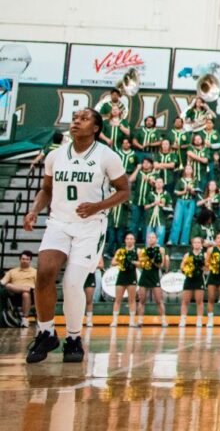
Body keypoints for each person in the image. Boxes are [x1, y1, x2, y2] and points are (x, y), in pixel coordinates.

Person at [23, 108, 130, 363]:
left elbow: (124, 191)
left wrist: (98, 206)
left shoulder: (108, 156)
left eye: (83, 119)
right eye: (75, 118)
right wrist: (34, 210)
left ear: (95, 128)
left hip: (90, 226)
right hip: (59, 222)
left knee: (72, 283)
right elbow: (46, 190)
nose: (76, 121)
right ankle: (46, 332)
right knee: (44, 274)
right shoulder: (55, 156)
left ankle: (73, 337)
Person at [135, 230, 169, 330]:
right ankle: (140, 320)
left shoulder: (160, 249)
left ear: (157, 239)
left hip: (155, 275)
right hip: (145, 275)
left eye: (153, 237)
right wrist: (137, 262)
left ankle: (163, 320)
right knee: (142, 300)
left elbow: (161, 265)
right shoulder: (143, 250)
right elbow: (141, 264)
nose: (151, 239)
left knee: (159, 300)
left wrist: (153, 260)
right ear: (147, 239)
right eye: (149, 237)